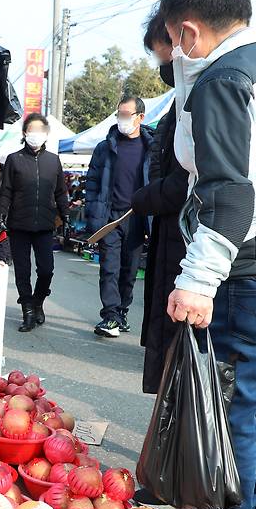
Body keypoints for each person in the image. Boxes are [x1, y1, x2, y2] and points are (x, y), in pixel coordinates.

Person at [158, 0, 256, 509]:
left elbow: (229, 190)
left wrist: (198, 279)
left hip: (242, 267)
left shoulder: (222, 78)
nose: (174, 53)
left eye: (173, 41)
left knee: (233, 399)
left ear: (189, 33)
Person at [131, 10, 189, 395]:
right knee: (173, 369)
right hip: (170, 241)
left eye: (161, 53)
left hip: (191, 249)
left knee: (195, 377)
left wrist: (146, 196)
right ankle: (168, 448)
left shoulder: (212, 93)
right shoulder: (180, 99)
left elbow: (194, 180)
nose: (161, 65)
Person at [85, 96, 153, 338]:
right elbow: (92, 184)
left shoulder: (152, 148)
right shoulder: (105, 147)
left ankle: (122, 311)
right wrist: (94, 218)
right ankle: (110, 316)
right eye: (119, 115)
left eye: (127, 114)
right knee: (109, 268)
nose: (122, 119)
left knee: (129, 270)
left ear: (140, 117)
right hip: (110, 217)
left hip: (137, 218)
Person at [0, 113, 70, 331]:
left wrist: (65, 215)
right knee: (22, 270)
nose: (35, 135)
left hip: (45, 225)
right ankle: (27, 311)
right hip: (19, 224)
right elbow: (6, 191)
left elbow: (61, 191)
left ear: (46, 134)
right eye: (31, 130)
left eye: (40, 130)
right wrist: (1, 214)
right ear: (24, 133)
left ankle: (38, 301)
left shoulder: (53, 160)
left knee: (46, 269)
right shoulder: (14, 159)